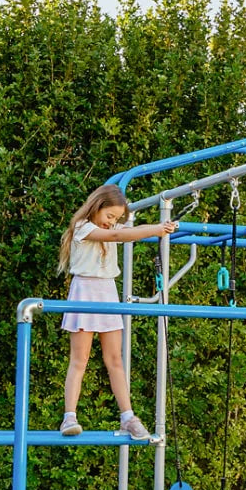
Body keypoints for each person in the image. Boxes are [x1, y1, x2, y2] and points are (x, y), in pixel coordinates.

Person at [57, 185, 177, 439]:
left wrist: (159, 228)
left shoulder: (111, 228)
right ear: (96, 207)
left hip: (107, 291)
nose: (112, 222)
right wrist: (156, 229)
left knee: (115, 360)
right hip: (84, 292)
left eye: (116, 218)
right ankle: (69, 417)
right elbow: (116, 236)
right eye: (109, 216)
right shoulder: (83, 227)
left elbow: (126, 232)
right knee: (79, 359)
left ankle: (128, 416)